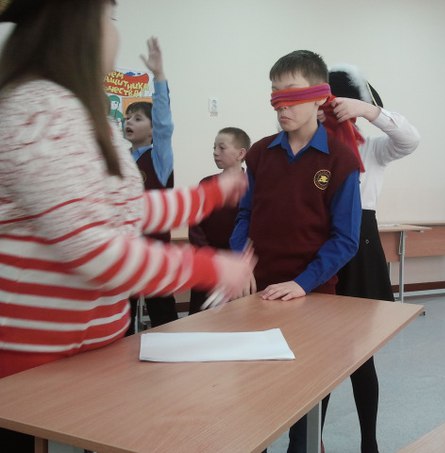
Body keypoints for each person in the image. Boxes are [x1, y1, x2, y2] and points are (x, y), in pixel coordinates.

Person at [0, 1, 254, 450]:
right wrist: (210, 267)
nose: (115, 34)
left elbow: (126, 209)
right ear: (75, 26)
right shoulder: (38, 109)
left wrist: (210, 196)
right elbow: (93, 249)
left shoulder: (78, 112)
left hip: (80, 361)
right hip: (31, 374)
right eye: (110, 18)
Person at [230, 50, 362, 453]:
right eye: (275, 93)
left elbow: (346, 238)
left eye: (290, 93)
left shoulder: (341, 160)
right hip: (256, 296)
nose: (280, 104)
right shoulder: (259, 154)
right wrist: (240, 259)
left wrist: (302, 283)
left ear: (319, 96)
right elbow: (245, 215)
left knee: (305, 405)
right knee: (253, 396)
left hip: (314, 297)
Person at [320, 64, 420, 453]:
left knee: (361, 356)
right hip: (319, 247)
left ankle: (369, 443)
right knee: (319, 356)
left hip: (361, 247)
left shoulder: (373, 148)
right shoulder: (311, 146)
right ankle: (314, 439)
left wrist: (368, 110)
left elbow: (410, 139)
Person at [122, 36, 180, 333]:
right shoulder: (121, 158)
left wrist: (159, 77)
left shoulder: (159, 158)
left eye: (137, 118)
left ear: (152, 128)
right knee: (122, 318)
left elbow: (164, 123)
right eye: (127, 118)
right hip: (125, 251)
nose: (129, 122)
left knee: (163, 317)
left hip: (154, 252)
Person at [188, 127, 250, 314]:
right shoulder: (206, 183)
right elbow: (195, 224)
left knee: (238, 316)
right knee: (202, 317)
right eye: (214, 147)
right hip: (208, 262)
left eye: (222, 148)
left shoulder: (252, 185)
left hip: (238, 263)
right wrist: (210, 257)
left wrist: (238, 259)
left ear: (241, 153)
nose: (215, 152)